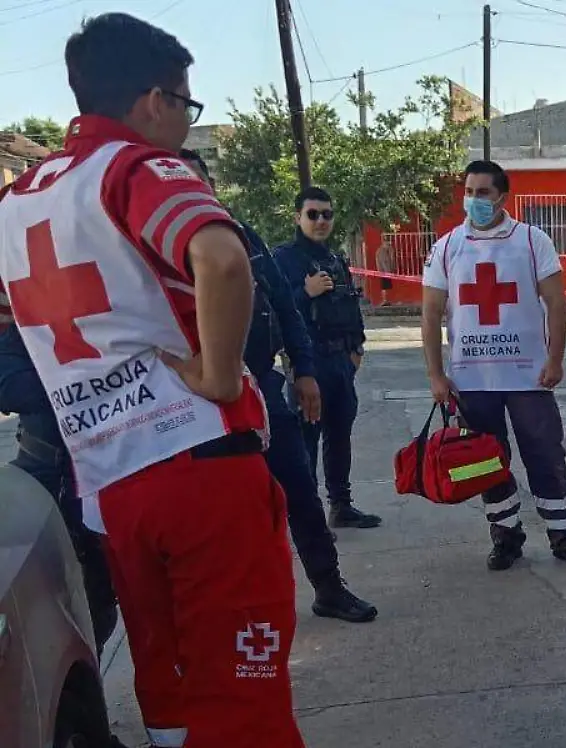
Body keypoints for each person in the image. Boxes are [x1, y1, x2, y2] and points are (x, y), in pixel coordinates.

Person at [0, 13, 304, 748]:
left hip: (111, 484)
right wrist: (220, 376)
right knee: (242, 689)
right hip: (200, 467)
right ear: (150, 101)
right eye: (186, 105)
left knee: (163, 679)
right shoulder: (136, 169)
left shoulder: (17, 203)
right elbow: (223, 260)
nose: (185, 123)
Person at [180, 149, 377, 624]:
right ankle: (226, 611)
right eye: (314, 213)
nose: (187, 190)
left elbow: (285, 309)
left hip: (262, 386)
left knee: (302, 490)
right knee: (224, 510)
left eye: (194, 180)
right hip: (190, 400)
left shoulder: (240, 238)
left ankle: (329, 588)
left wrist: (304, 370)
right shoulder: (148, 248)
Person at [420, 160, 566, 571]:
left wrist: (555, 359)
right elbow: (430, 314)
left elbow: (556, 303)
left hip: (528, 376)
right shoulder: (446, 247)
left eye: (483, 192)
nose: (474, 200)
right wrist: (435, 374)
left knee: (545, 457)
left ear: (503, 196)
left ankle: (565, 537)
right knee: (486, 462)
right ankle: (506, 536)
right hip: (472, 380)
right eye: (469, 191)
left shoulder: (533, 241)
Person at [0, 308, 119, 656]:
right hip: (53, 472)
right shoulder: (15, 290)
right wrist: (91, 377)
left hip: (120, 459)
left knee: (109, 598)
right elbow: (12, 386)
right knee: (70, 609)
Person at [273, 187, 381, 530]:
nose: (321, 221)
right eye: (313, 214)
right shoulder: (283, 260)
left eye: (327, 214)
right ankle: (308, 518)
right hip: (308, 364)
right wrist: (306, 292)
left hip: (340, 363)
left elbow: (352, 308)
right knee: (305, 442)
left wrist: (357, 349)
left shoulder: (335, 259)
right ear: (297, 217)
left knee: (339, 435)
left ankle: (341, 505)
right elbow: (276, 313)